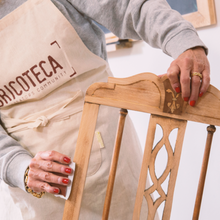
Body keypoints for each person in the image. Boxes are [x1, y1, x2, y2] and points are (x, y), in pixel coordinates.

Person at [0, 0, 210, 219]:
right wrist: (18, 167)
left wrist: (183, 41)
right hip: (33, 192)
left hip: (108, 164)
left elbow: (130, 6)